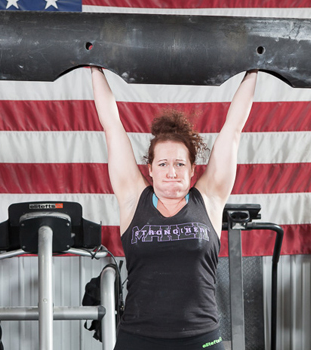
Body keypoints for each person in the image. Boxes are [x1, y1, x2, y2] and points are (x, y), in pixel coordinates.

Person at [91, 66, 258, 350]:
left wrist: (254, 69)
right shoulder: (134, 200)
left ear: (193, 169)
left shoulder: (209, 199)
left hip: (202, 338)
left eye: (180, 164)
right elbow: (111, 126)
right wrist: (92, 65)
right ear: (150, 169)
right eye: (163, 164)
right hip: (139, 338)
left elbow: (233, 131)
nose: (172, 172)